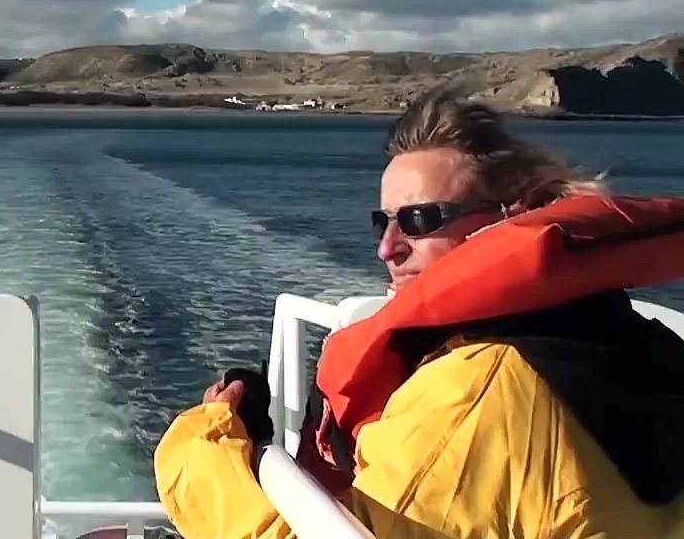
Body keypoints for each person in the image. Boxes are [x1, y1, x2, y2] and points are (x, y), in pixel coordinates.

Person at [153, 85, 684, 538]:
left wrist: (205, 441)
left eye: (421, 220)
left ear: (513, 217)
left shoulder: (477, 391)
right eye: (382, 221)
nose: (387, 248)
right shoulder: (631, 343)